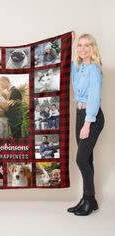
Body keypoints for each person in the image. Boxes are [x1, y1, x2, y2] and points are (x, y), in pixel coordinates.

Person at [67, 32, 104, 216]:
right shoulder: (79, 67)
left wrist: (87, 123)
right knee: (87, 159)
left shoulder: (94, 69)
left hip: (92, 117)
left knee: (81, 160)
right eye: (80, 45)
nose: (82, 49)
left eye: (86, 45)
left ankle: (89, 199)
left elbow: (95, 99)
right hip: (79, 115)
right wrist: (68, 40)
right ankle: (89, 199)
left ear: (92, 48)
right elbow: (69, 65)